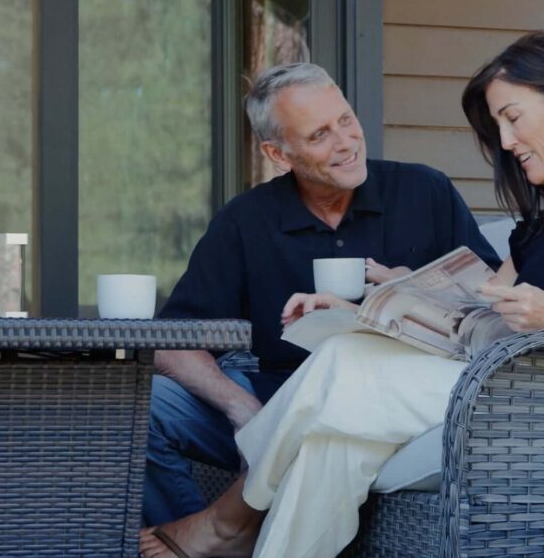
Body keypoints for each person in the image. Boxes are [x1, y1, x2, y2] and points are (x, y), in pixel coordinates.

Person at [139, 31, 544, 558]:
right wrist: (383, 299)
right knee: (329, 447)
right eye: (498, 127)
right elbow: (478, 309)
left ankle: (229, 520)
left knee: (344, 358)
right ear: (278, 154)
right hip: (489, 365)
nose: (505, 143)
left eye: (511, 119)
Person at [143, 62, 501, 527]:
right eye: (319, 136)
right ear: (278, 153)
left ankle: (223, 531)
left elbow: (493, 306)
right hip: (275, 394)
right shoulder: (246, 220)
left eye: (346, 121)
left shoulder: (423, 190)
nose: (347, 143)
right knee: (142, 409)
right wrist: (242, 409)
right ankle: (192, 538)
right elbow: (174, 340)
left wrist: (407, 286)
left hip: (389, 401)